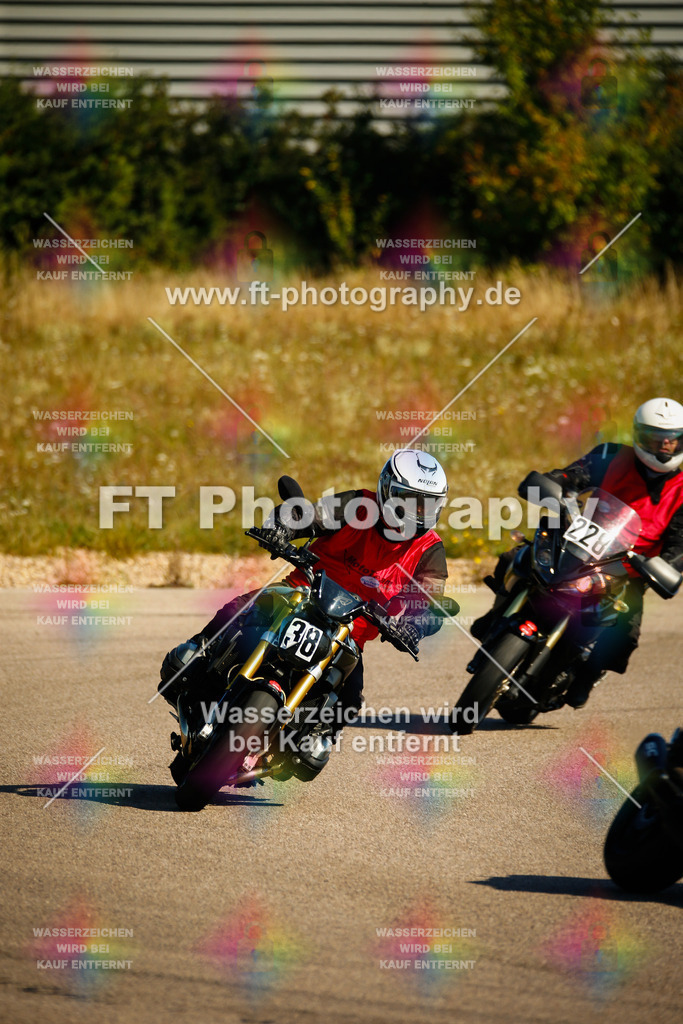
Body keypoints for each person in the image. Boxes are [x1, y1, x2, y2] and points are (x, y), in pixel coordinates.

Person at [159, 449, 450, 734]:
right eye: (409, 502)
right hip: (302, 593)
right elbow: (308, 515)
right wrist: (281, 527)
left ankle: (302, 743)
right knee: (243, 608)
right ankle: (198, 650)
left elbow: (430, 599)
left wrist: (416, 626)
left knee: (347, 703)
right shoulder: (360, 505)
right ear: (386, 491)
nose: (417, 512)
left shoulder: (429, 550)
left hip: (350, 633)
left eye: (427, 505)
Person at [474, 397, 683, 708]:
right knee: (516, 557)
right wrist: (554, 485)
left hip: (627, 571)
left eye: (672, 440)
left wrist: (665, 567)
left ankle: (584, 679)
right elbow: (570, 477)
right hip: (578, 545)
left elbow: (679, 546)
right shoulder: (610, 455)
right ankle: (495, 616)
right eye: (656, 439)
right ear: (639, 436)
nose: (664, 447)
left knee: (624, 636)